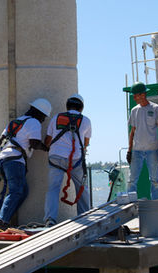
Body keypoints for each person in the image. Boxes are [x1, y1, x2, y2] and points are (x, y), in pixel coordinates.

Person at [0, 98, 52, 230]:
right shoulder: (34, 122)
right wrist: (47, 148)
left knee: (22, 191)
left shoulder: (15, 121)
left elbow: (0, 140)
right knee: (16, 192)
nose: (44, 120)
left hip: (4, 159)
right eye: (44, 116)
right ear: (39, 113)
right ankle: (2, 221)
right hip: (15, 160)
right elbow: (34, 143)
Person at [43, 94, 92, 227]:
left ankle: (50, 219)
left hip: (56, 158)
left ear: (67, 105)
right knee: (82, 188)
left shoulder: (56, 118)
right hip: (75, 159)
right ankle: (85, 216)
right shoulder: (86, 120)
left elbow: (48, 140)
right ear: (81, 107)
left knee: (53, 189)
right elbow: (86, 143)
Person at [126, 82, 158, 200]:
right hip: (137, 150)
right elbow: (132, 131)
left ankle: (157, 204)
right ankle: (130, 204)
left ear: (143, 94)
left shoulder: (155, 108)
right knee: (131, 179)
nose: (133, 97)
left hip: (152, 150)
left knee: (155, 180)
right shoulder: (134, 111)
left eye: (135, 95)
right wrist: (129, 151)